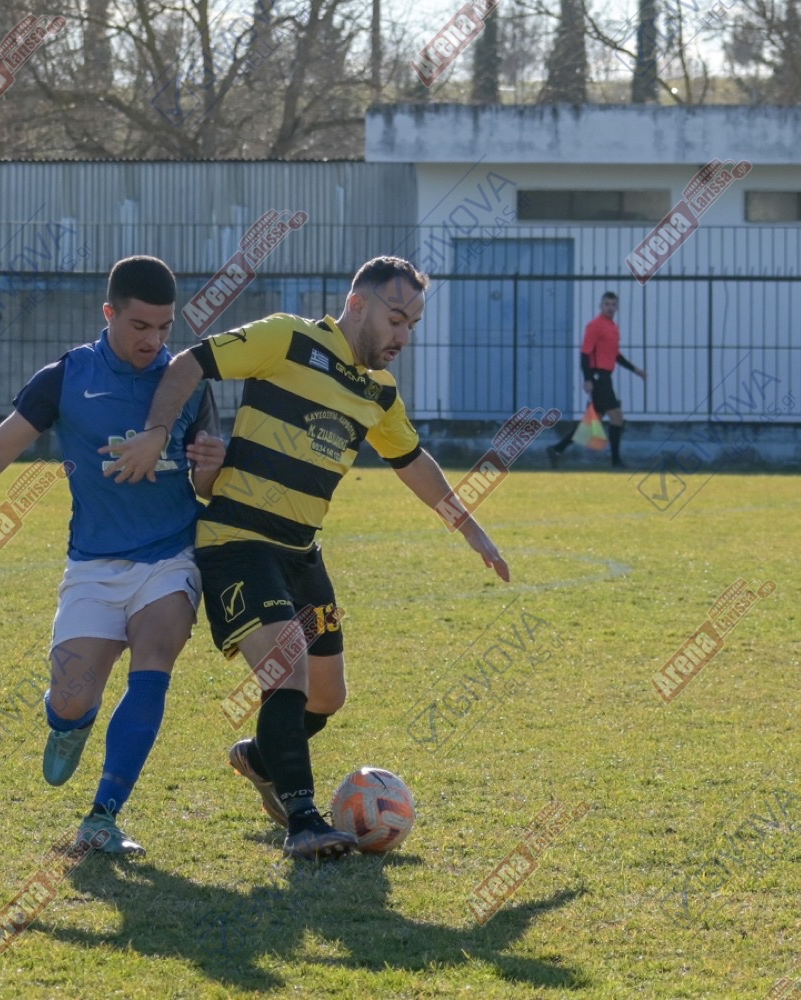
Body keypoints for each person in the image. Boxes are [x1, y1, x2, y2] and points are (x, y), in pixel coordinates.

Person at [103, 256, 510, 861]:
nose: (403, 336)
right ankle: (304, 821)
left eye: (413, 325)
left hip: (300, 552)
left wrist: (470, 528)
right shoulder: (287, 339)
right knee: (286, 669)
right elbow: (190, 363)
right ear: (357, 305)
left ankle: (262, 758)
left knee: (326, 696)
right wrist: (158, 433)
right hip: (238, 541)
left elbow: (412, 462)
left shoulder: (378, 391)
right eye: (396, 319)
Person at [0, 256, 224, 855]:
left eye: (166, 327)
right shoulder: (67, 376)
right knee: (70, 699)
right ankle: (67, 723)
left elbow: (208, 484)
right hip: (94, 563)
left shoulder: (186, 379)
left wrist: (213, 469)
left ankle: (103, 816)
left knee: (155, 659)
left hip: (171, 556)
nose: (154, 340)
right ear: (109, 313)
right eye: (140, 326)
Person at [547, 291, 646, 468]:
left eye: (613, 304)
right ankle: (616, 461)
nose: (610, 307)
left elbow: (615, 355)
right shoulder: (595, 325)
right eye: (607, 304)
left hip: (605, 376)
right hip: (599, 376)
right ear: (600, 306)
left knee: (592, 422)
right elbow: (585, 354)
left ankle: (557, 449)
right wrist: (588, 379)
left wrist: (635, 370)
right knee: (616, 417)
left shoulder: (613, 327)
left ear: (617, 307)